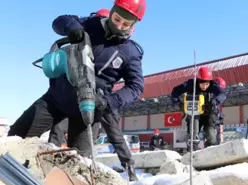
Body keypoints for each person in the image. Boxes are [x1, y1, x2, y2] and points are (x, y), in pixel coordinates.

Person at [8, 0, 146, 181]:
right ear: (112, 11)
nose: (119, 25)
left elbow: (136, 86)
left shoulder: (130, 52)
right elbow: (59, 21)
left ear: (134, 24)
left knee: (77, 168)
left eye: (125, 24)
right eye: (117, 18)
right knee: (14, 140)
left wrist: (108, 102)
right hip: (56, 99)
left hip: (88, 112)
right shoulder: (91, 24)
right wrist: (71, 27)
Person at [47, 9, 111, 149]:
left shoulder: (112, 51)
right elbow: (60, 20)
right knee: (54, 141)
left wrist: (106, 100)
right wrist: (72, 27)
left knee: (82, 156)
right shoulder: (85, 26)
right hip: (67, 95)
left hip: (92, 102)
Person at [171, 67, 226, 151]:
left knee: (210, 134)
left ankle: (212, 151)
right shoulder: (190, 84)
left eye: (207, 84)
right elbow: (174, 92)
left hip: (209, 113)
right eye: (202, 84)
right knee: (192, 136)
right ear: (198, 80)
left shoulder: (213, 85)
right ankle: (192, 153)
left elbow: (222, 94)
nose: (205, 86)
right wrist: (179, 104)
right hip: (194, 113)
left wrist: (214, 102)